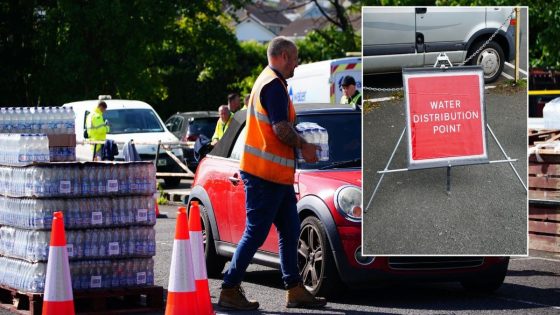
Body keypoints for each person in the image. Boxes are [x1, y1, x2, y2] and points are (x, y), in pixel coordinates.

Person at [218, 36, 326, 311]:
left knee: (290, 231)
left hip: (274, 176)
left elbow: (277, 128)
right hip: (264, 176)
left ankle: (294, 289)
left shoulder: (269, 82)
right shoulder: (273, 86)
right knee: (256, 232)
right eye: (295, 57)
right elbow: (280, 129)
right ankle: (229, 289)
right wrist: (305, 146)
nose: (297, 63)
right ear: (283, 56)